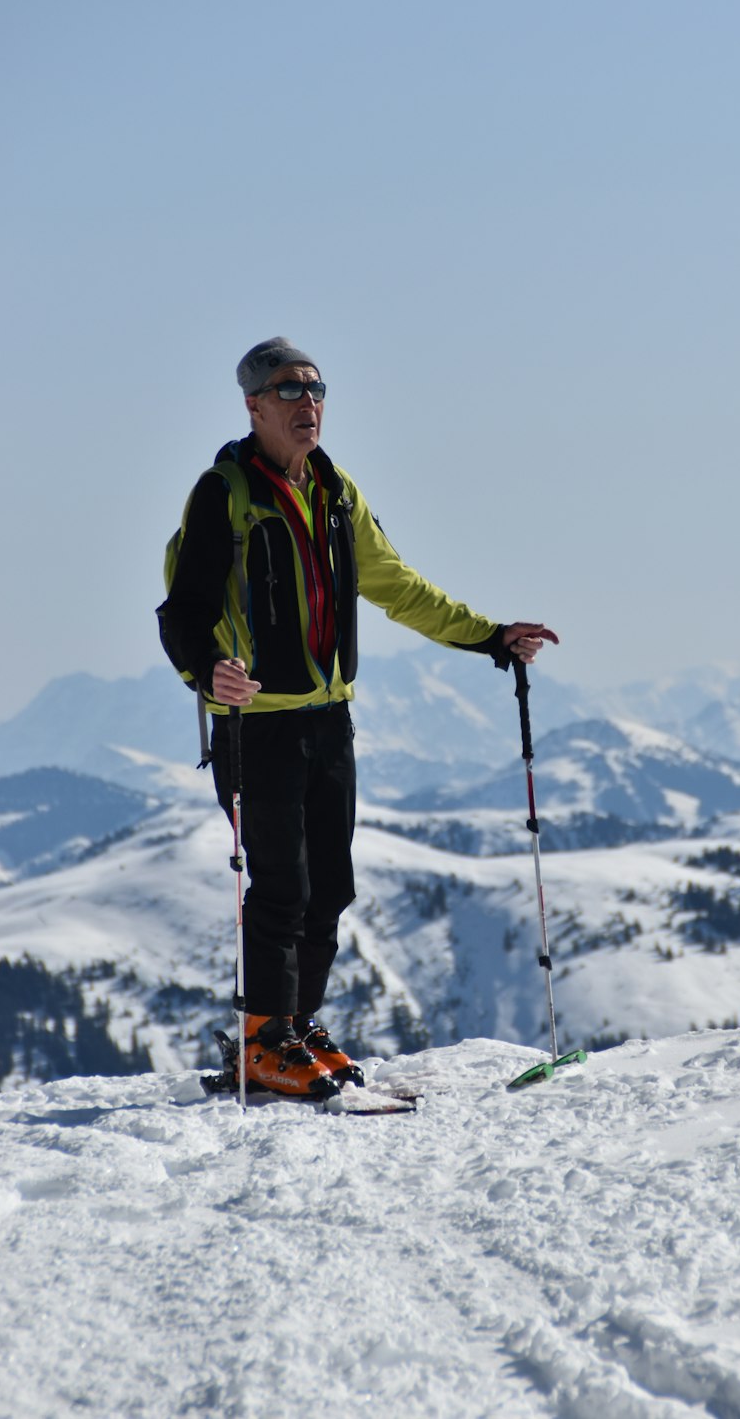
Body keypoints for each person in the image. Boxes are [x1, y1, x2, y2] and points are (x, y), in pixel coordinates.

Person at [159, 337, 558, 1098]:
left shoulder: (337, 494)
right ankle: (260, 1040)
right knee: (280, 886)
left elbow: (398, 586)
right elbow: (184, 609)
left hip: (328, 721)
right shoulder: (225, 495)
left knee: (329, 885)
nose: (307, 403)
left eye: (315, 389)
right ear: (253, 407)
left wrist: (489, 636)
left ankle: (297, 1026)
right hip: (257, 727)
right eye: (287, 391)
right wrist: (208, 673)